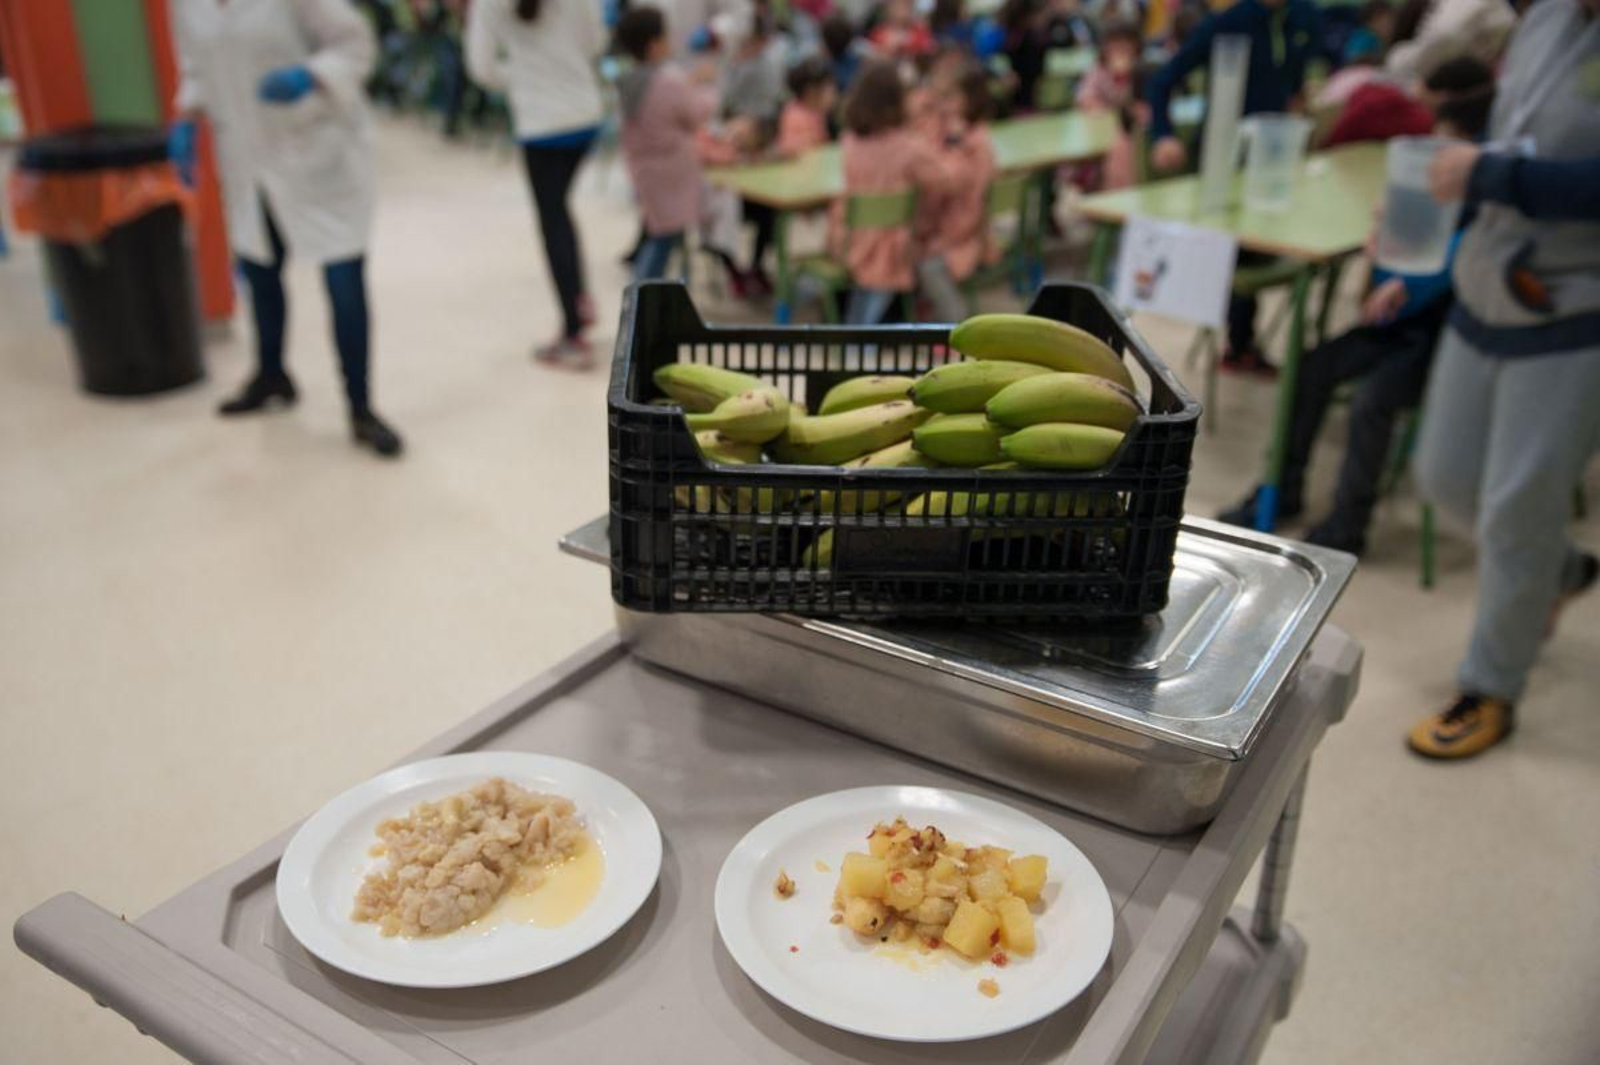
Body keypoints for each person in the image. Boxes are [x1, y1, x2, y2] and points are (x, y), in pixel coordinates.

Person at [1407, 0, 1600, 760]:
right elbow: (1510, 132)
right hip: (1487, 286)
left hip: (1575, 308)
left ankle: (1491, 684)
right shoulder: (1547, 18)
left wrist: (1494, 173)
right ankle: (1558, 568)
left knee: (1518, 505)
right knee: (1447, 476)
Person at [1216, 59, 1496, 552]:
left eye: (1449, 145)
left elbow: (1466, 253)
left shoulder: (1493, 194)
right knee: (1309, 369)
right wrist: (1385, 238)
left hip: (1445, 337)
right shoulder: (1427, 177)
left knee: (1373, 402)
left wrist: (1410, 281)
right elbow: (1400, 256)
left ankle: (1350, 523)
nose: (1439, 157)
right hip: (1397, 323)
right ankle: (1281, 492)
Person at [170, 0, 402, 458]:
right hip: (247, 159)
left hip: (317, 151)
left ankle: (361, 407)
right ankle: (272, 376)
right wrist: (185, 115)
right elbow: (195, 64)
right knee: (260, 271)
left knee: (343, 282)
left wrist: (311, 75)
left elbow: (356, 43)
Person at [1145, 0, 1323, 376]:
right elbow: (1162, 82)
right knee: (1233, 255)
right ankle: (1235, 342)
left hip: (1270, 165)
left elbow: (1294, 83)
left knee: (1258, 250)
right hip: (1222, 164)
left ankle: (1240, 342)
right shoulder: (1228, 24)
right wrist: (1163, 135)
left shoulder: (1300, 18)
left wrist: (1297, 107)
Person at [466, 0, 608, 367]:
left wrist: (522, 75)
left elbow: (481, 69)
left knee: (553, 220)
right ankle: (579, 299)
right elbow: (596, 43)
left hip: (541, 125)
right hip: (584, 114)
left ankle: (573, 332)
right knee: (561, 211)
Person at [832, 61, 958, 323]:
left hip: (849, 240)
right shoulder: (909, 148)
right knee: (924, 246)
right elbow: (947, 181)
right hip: (894, 247)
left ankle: (854, 334)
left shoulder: (849, 142)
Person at [617, 6, 717, 281]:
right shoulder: (667, 82)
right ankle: (641, 298)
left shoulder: (631, 79)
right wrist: (706, 85)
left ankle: (653, 294)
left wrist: (689, 82)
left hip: (646, 172)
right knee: (663, 242)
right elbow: (696, 113)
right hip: (673, 176)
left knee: (660, 234)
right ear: (654, 44)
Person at [916, 63, 998, 321]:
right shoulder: (958, 135)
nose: (944, 105)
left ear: (970, 100)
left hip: (963, 233)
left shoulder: (973, 144)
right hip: (951, 226)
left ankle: (953, 320)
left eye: (950, 98)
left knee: (923, 260)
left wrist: (950, 144)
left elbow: (957, 189)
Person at [1074, 19, 1144, 190]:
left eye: (1125, 43)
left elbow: (1143, 107)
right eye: (1113, 43)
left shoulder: (1143, 71)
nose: (1119, 48)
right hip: (1102, 137)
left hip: (1134, 137)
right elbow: (1085, 98)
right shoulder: (1097, 72)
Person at [777, 55, 838, 157]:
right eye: (829, 88)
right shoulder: (796, 116)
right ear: (811, 91)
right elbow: (793, 150)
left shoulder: (817, 113)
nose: (834, 93)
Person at [870, 0, 937, 60]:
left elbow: (928, 49)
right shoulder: (879, 31)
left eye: (906, 6)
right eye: (899, 5)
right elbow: (875, 52)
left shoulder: (920, 30)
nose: (903, 10)